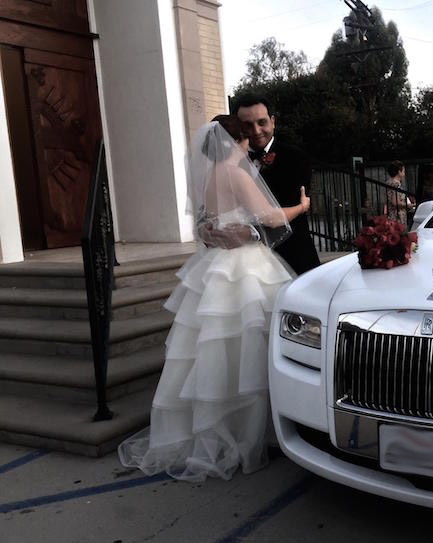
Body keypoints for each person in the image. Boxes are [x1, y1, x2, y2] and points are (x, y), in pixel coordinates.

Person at [118, 116, 302, 482]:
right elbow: (270, 217)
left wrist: (221, 232)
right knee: (248, 345)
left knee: (213, 348)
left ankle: (217, 429)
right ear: (238, 141)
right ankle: (254, 433)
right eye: (245, 139)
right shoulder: (236, 174)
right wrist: (301, 207)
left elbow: (205, 225)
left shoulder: (206, 177)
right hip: (244, 266)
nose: (249, 145)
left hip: (214, 264)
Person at [235, 94, 320, 274]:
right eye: (247, 125)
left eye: (262, 122)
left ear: (272, 121)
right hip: (245, 265)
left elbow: (284, 209)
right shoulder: (231, 163)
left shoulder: (297, 158)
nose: (256, 131)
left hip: (292, 257)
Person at [384, 160, 415, 224]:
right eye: (403, 171)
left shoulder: (388, 183)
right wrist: (409, 205)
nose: (404, 174)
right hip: (397, 217)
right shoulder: (396, 184)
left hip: (390, 215)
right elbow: (396, 202)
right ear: (399, 172)